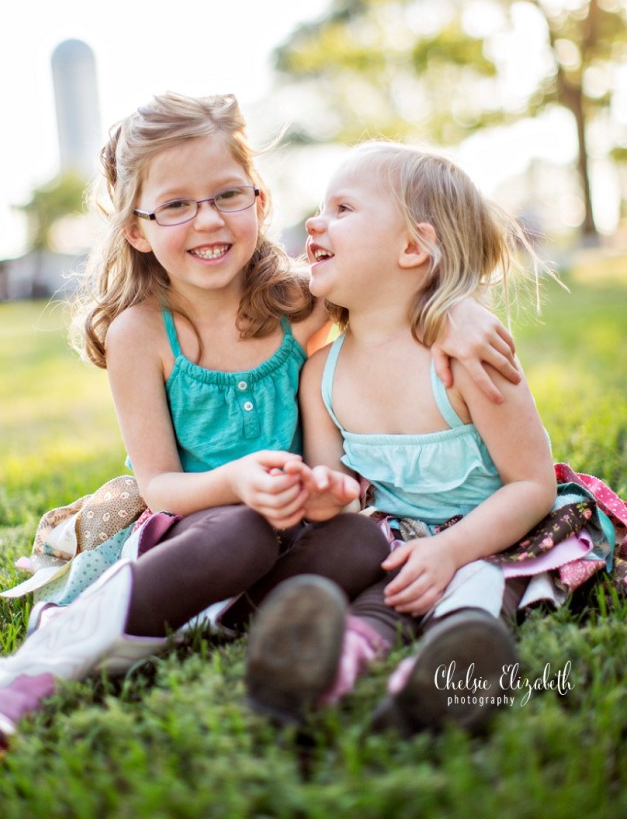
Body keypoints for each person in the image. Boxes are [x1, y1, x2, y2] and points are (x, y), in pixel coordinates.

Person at [0, 96, 519, 755]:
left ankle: (263, 638)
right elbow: (160, 485)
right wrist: (237, 482)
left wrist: (457, 315)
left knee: (361, 546)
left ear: (259, 200)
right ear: (136, 229)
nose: (207, 220)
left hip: (297, 533)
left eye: (225, 195)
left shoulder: (303, 303)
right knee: (243, 532)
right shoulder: (140, 333)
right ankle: (35, 668)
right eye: (175, 205)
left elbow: (393, 287)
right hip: (198, 532)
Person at [245, 139, 611, 734]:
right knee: (386, 595)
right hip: (398, 538)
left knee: (480, 586)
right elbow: (340, 493)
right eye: (321, 207)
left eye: (343, 209)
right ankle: (318, 670)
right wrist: (322, 493)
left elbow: (530, 486)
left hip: (493, 532)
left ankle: (450, 678)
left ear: (412, 247)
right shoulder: (321, 375)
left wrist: (451, 550)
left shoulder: (466, 359)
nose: (316, 221)